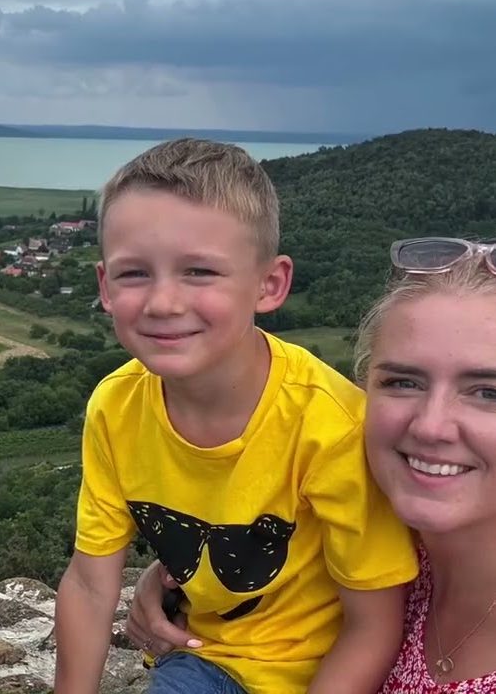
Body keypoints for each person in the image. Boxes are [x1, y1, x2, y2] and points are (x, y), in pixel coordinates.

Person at [53, 138, 419, 694]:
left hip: (320, 672)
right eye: (134, 274)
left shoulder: (330, 426)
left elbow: (374, 625)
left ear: (269, 284)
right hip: (205, 660)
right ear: (104, 286)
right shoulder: (116, 406)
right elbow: (88, 584)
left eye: (200, 271)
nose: (163, 302)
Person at [128, 236, 496, 693]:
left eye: (488, 392)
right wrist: (175, 576)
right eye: (403, 382)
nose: (430, 426)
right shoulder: (375, 534)